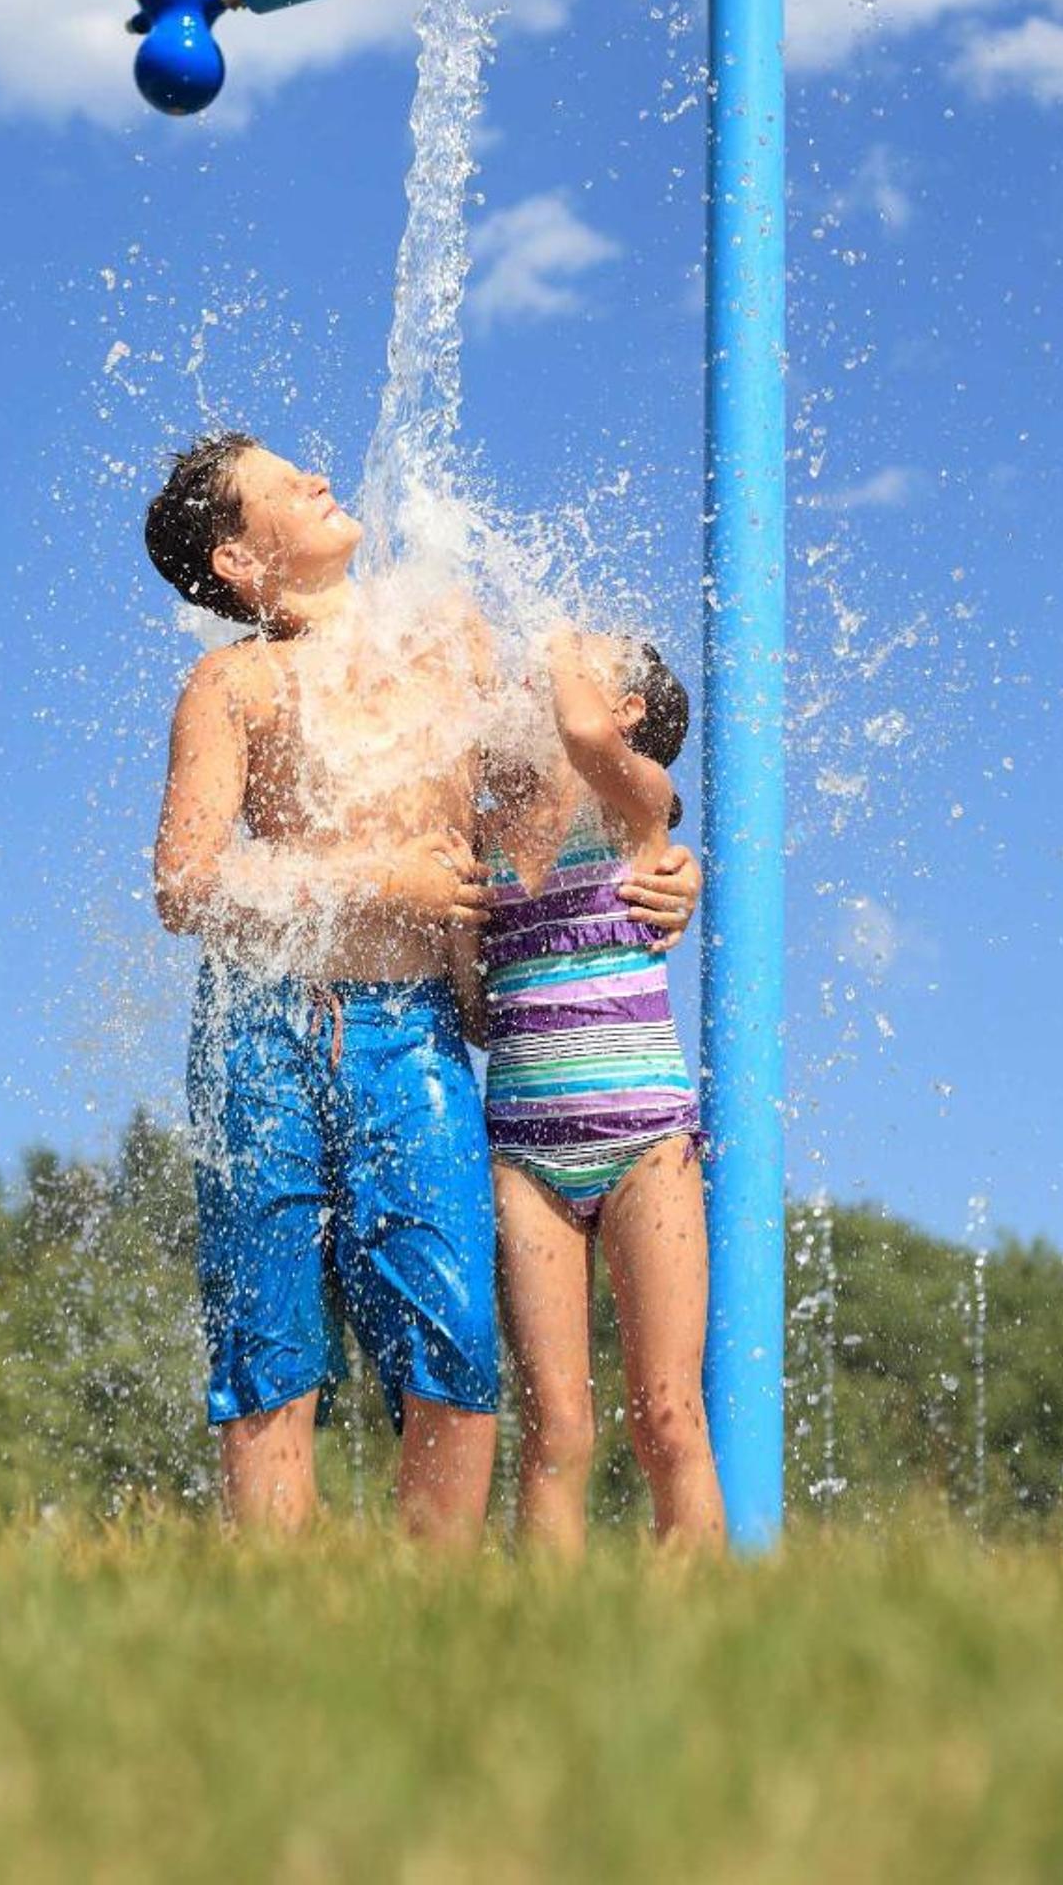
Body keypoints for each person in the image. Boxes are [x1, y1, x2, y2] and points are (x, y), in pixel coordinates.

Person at [145, 431, 702, 1546]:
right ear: (241, 562)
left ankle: (425, 1617)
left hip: (414, 1030)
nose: (314, 475)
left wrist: (659, 848)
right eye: (279, 486)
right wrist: (376, 876)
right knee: (269, 1343)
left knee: (450, 1340)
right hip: (262, 1031)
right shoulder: (234, 683)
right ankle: (275, 1622)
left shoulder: (446, 638)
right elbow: (185, 885)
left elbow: (547, 780)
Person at [453, 629, 724, 1557]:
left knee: (667, 1414)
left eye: (586, 652)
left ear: (627, 712)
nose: (554, 656)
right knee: (555, 1427)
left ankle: (705, 1628)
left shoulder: (633, 806)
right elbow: (478, 1013)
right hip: (525, 1156)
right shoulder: (483, 828)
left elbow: (578, 731)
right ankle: (549, 1638)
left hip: (646, 1145)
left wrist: (554, 637)